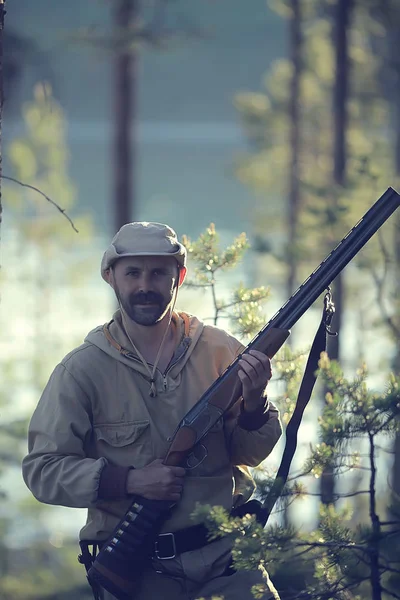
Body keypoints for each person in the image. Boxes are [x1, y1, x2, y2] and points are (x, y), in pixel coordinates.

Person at [22, 221, 282, 600]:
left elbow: (249, 454)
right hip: (141, 570)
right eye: (133, 273)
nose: (145, 286)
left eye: (159, 273)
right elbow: (42, 471)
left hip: (228, 562)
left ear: (180, 276)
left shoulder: (220, 350)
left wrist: (256, 402)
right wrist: (129, 481)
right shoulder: (81, 370)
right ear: (110, 277)